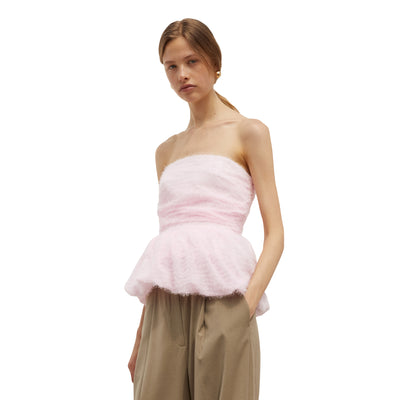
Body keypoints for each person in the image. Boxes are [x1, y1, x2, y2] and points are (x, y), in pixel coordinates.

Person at [124, 18, 284, 400]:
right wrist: (141, 333)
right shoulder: (166, 151)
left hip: (225, 301)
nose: (182, 74)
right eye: (171, 66)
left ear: (215, 62)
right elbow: (168, 245)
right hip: (163, 310)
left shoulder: (249, 132)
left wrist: (244, 308)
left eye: (192, 61)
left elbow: (276, 233)